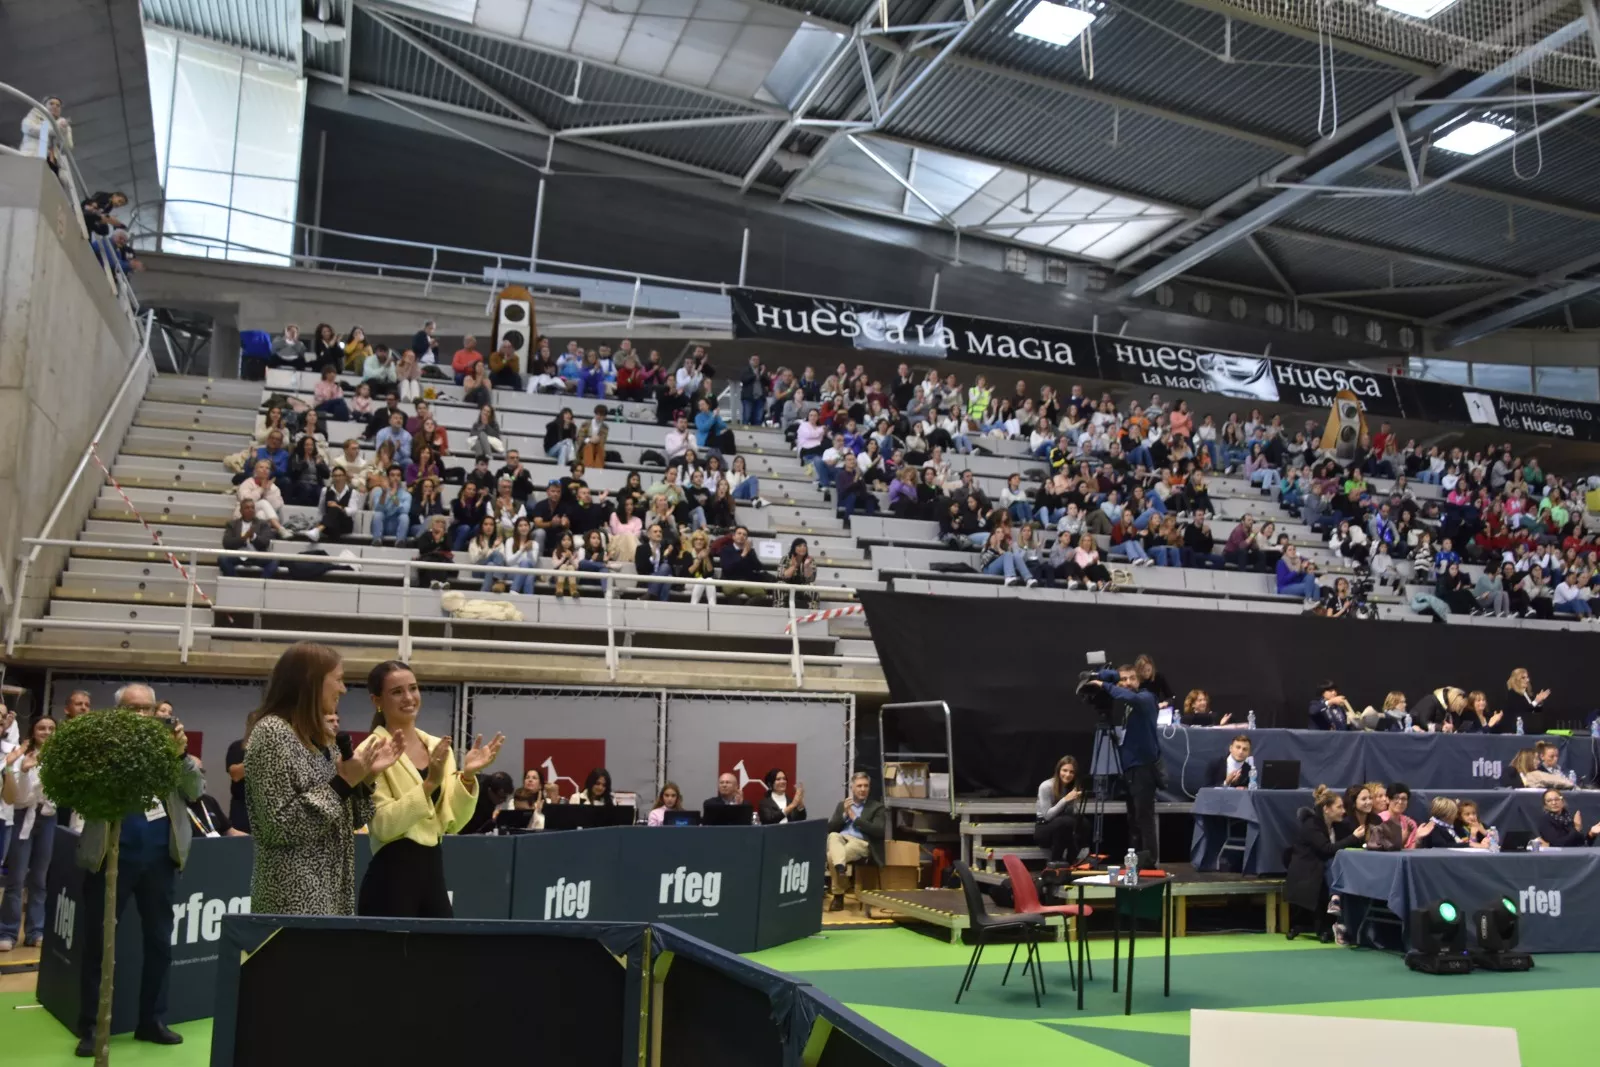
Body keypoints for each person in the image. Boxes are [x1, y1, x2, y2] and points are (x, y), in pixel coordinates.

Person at [73, 684, 204, 1054]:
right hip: (110, 858)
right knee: (98, 946)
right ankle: (92, 1028)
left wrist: (179, 757)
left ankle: (152, 1020)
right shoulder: (101, 747)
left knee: (160, 943)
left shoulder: (173, 750)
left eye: (149, 709)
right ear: (117, 713)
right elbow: (81, 792)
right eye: (133, 709)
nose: (143, 716)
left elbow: (195, 791)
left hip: (160, 859)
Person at [245, 643, 404, 918]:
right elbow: (279, 827)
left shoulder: (325, 739)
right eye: (339, 680)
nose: (343, 689)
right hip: (291, 901)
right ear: (312, 682)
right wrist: (343, 782)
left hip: (334, 894)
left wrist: (366, 778)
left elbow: (353, 819)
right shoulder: (271, 733)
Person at [359, 661, 504, 917]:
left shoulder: (437, 747)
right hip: (390, 877)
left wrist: (468, 778)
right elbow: (382, 826)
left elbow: (452, 824)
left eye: (413, 688)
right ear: (376, 700)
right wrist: (428, 786)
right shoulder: (370, 750)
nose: (409, 698)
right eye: (397, 692)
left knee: (440, 954)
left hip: (433, 871)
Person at [1085, 664, 1162, 866]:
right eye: (1123, 680)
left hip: (1143, 768)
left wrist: (1104, 683)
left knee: (1144, 818)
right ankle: (1135, 859)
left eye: (1132, 679)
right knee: (1133, 819)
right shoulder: (1128, 707)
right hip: (1129, 768)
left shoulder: (1146, 698)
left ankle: (1149, 861)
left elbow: (1130, 696)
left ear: (1139, 680)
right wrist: (1103, 675)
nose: (1127, 683)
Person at [0, 715, 58, 951]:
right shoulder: (20, 754)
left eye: (51, 728)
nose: (46, 732)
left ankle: (36, 931)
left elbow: (58, 796)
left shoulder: (60, 758)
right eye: (41, 728)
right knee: (16, 878)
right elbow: (20, 798)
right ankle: (8, 931)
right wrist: (24, 772)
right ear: (33, 732)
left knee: (40, 879)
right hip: (23, 816)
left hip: (47, 818)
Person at [1284, 785, 1363, 942]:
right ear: (1327, 809)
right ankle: (1334, 902)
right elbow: (1327, 849)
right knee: (1331, 864)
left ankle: (1341, 911)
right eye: (1339, 807)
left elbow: (1348, 844)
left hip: (1324, 868)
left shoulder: (1337, 826)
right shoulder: (1311, 825)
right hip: (1307, 871)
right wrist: (1353, 837)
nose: (1343, 811)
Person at [825, 773, 886, 912]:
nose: (863, 789)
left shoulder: (877, 807)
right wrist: (845, 815)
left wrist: (855, 818)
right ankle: (841, 869)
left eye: (866, 786)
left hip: (862, 842)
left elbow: (879, 831)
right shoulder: (843, 805)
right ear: (852, 787)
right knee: (833, 836)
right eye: (859, 786)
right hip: (842, 839)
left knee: (831, 856)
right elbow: (830, 828)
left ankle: (838, 896)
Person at [1034, 756, 1084, 863]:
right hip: (1044, 828)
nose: (1067, 775)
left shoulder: (1072, 787)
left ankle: (1072, 860)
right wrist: (1065, 799)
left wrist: (1073, 802)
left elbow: (1072, 813)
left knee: (1083, 823)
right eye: (1064, 770)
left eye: (1071, 772)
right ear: (1058, 771)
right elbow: (1047, 816)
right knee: (1064, 822)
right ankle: (1055, 862)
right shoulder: (1046, 786)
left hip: (1062, 827)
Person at [1534, 789, 1600, 848]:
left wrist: (1591, 834)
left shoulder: (1568, 818)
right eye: (1549, 801)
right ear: (1545, 805)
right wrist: (1576, 829)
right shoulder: (1545, 821)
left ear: (1562, 801)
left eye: (1557, 799)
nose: (1554, 803)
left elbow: (1582, 844)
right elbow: (1559, 845)